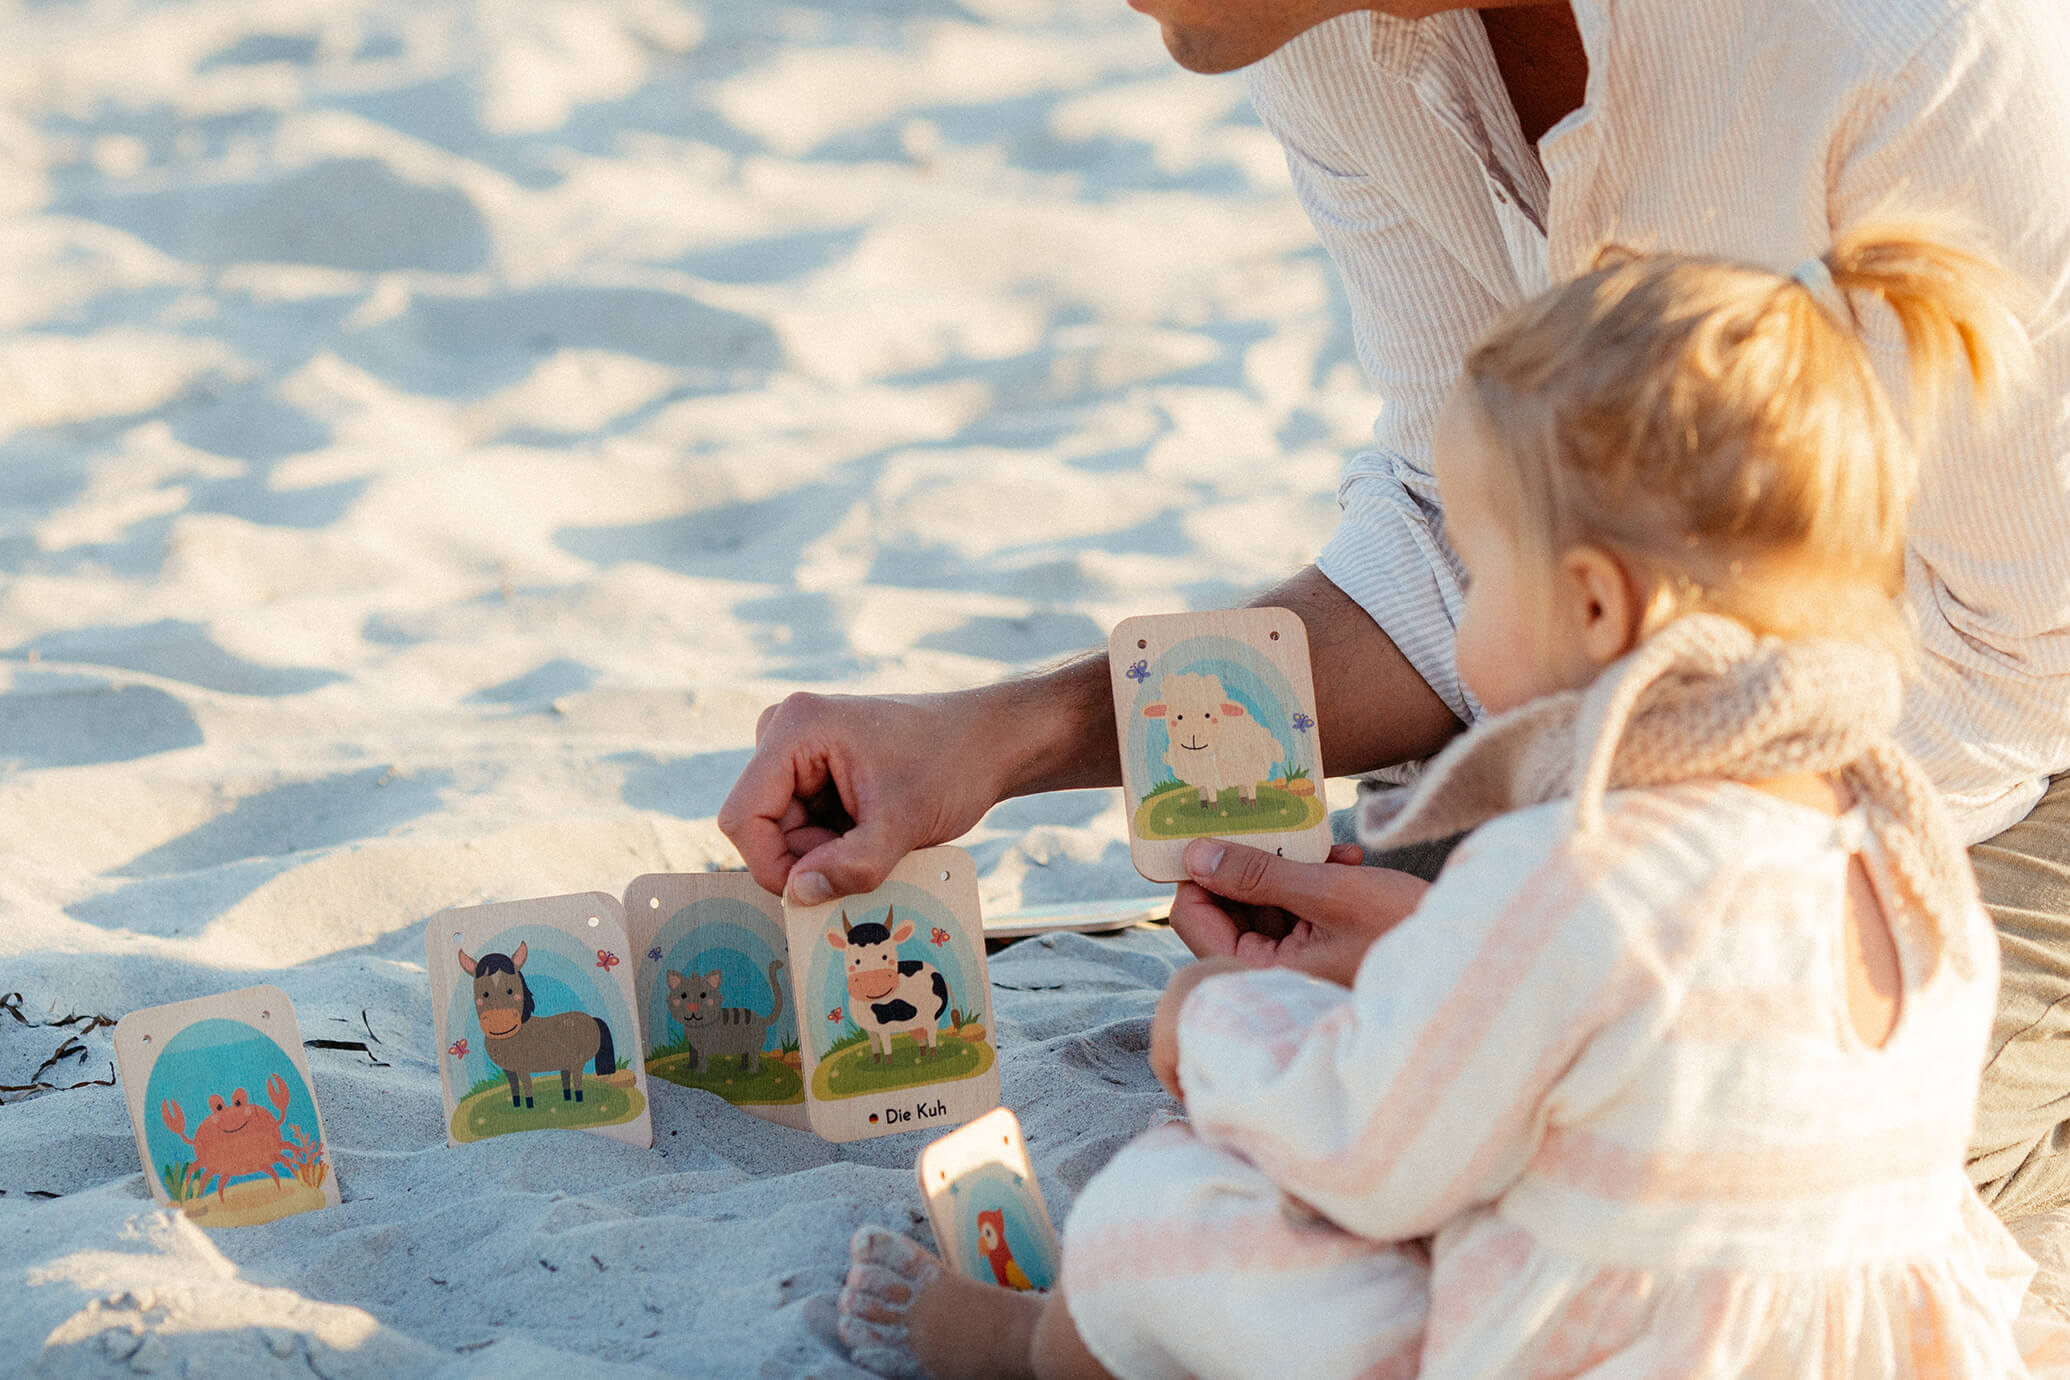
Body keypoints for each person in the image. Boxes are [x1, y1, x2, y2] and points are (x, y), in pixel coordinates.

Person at [720, 0, 2070, 1215]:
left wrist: (1524, 961)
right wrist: (1005, 737)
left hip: (2009, 756)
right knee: (1391, 1106)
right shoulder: (1309, 28)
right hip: (1657, 757)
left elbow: (2015, 672)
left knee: (1638, 1170)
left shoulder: (1915, 41)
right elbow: (1453, 532)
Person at [832, 225, 2065, 1379]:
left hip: (1610, 1346)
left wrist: (1223, 1022)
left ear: (1592, 608)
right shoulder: (1899, 845)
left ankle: (1029, 1344)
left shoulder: (1579, 863)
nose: (1458, 611)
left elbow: (1371, 1158)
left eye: (1476, 572)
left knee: (1179, 1205)